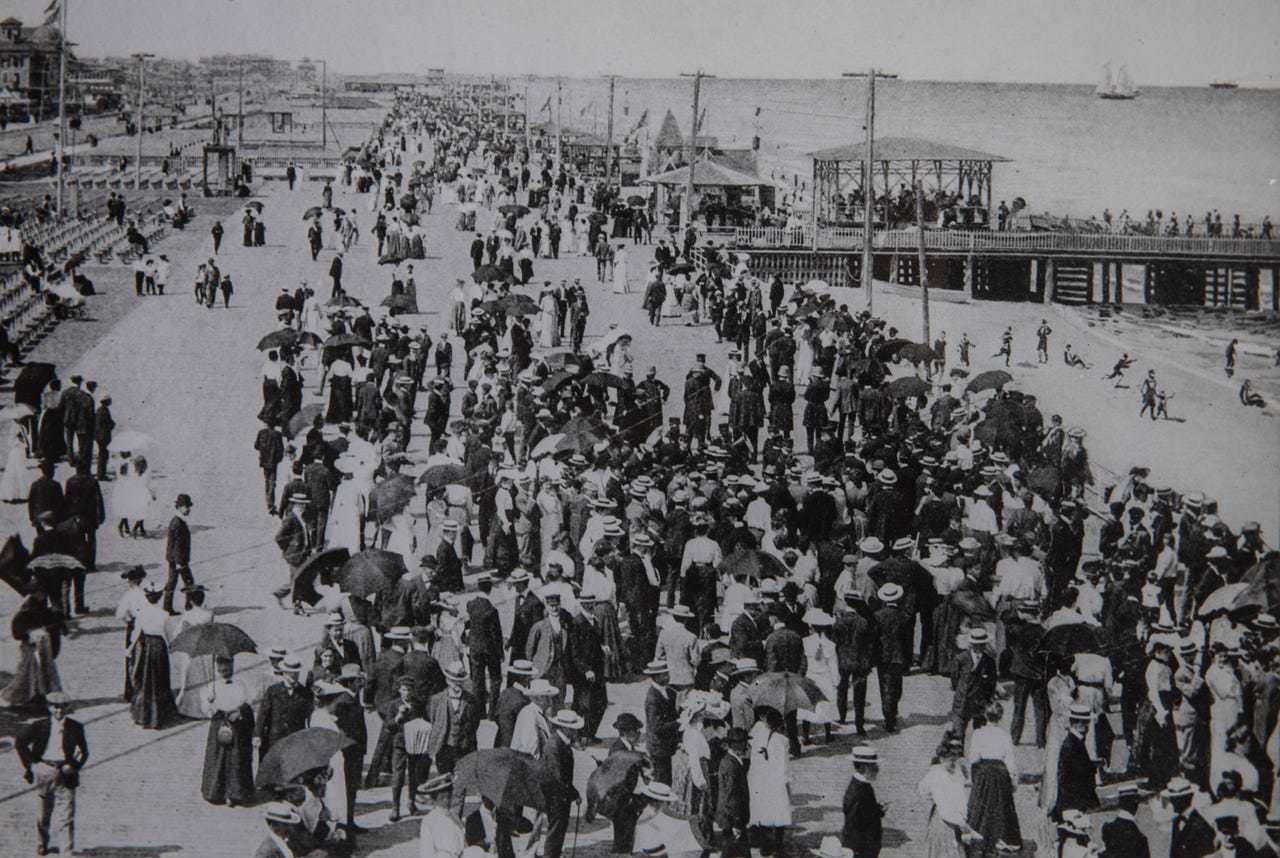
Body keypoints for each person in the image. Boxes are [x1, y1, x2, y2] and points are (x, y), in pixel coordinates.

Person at [15, 691, 88, 858]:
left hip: (66, 773)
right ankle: (42, 845)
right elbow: (20, 743)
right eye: (55, 707)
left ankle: (66, 852)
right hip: (45, 771)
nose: (59, 711)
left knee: (66, 816)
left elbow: (84, 752)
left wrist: (74, 766)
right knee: (43, 815)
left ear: (68, 708)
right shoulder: (39, 726)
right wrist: (32, 764)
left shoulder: (76, 728)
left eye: (63, 707)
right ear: (49, 707)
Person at [200, 655, 255, 807]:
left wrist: (240, 712)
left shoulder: (241, 684)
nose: (225, 670)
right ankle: (217, 792)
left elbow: (249, 703)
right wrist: (209, 702)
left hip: (237, 725)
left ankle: (234, 794)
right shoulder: (211, 687)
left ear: (233, 665)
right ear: (217, 668)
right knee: (218, 757)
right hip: (219, 724)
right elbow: (206, 711)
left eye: (228, 666)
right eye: (222, 667)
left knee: (236, 759)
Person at [918, 735, 981, 858]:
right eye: (950, 760)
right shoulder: (937, 774)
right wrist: (963, 825)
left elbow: (961, 795)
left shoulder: (957, 770)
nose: (953, 763)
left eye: (955, 759)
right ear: (941, 758)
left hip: (956, 818)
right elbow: (925, 790)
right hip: (945, 821)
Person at [129, 580, 178, 729]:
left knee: (145, 679)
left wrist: (130, 648)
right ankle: (160, 715)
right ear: (159, 597)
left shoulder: (141, 613)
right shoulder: (164, 614)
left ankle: (143, 715)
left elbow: (136, 633)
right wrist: (171, 647)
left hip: (145, 647)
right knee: (159, 678)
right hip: (158, 647)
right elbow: (170, 635)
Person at [748, 707, 792, 856]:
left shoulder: (757, 734)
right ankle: (779, 847)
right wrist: (786, 783)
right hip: (776, 780)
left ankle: (765, 845)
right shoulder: (782, 741)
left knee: (764, 810)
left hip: (761, 779)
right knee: (780, 812)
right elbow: (784, 765)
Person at [842, 746, 885, 858]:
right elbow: (855, 822)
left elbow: (864, 813)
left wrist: (878, 810)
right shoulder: (860, 790)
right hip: (862, 848)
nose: (877, 769)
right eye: (874, 765)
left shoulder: (860, 786)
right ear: (866, 767)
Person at [715, 726, 751, 858]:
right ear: (737, 744)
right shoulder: (731, 765)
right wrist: (737, 823)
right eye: (744, 742)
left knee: (731, 851)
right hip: (733, 818)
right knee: (735, 851)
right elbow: (731, 795)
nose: (746, 745)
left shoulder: (732, 760)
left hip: (731, 817)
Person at [417, 774, 466, 858]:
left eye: (448, 796)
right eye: (442, 797)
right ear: (434, 799)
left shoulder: (454, 816)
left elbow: (462, 842)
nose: (446, 800)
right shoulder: (429, 820)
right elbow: (426, 852)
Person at [164, 493, 195, 615]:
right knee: (188, 582)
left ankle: (168, 607)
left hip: (176, 559)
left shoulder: (178, 520)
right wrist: (178, 562)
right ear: (179, 507)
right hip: (178, 560)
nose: (188, 509)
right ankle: (189, 606)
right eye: (186, 507)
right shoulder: (177, 523)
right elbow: (176, 544)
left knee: (173, 582)